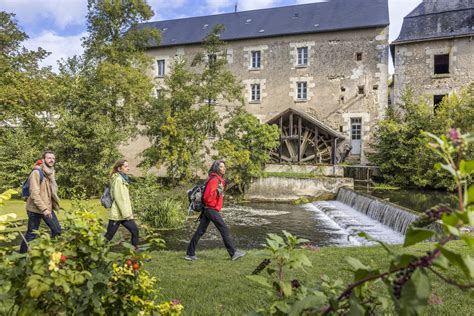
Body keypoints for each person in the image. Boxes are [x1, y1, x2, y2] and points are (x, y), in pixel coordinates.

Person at [185, 160, 246, 261]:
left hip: (209, 209)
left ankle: (189, 254)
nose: (224, 168)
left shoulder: (218, 179)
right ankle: (233, 253)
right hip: (210, 209)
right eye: (222, 167)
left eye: (224, 167)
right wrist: (218, 192)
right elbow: (206, 197)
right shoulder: (214, 180)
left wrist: (218, 192)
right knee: (224, 228)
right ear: (216, 168)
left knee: (200, 231)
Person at [19, 150, 61, 253]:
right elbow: (34, 194)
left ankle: (50, 252)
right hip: (35, 209)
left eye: (53, 158)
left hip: (47, 207)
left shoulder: (50, 173)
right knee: (31, 234)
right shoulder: (36, 173)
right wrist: (44, 209)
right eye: (49, 158)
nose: (51, 160)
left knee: (57, 230)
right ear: (43, 160)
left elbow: (50, 192)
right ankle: (22, 256)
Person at [104, 159, 139, 250]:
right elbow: (119, 198)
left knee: (135, 231)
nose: (128, 168)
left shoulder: (122, 179)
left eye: (128, 166)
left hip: (123, 214)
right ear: (119, 169)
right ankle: (98, 250)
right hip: (118, 214)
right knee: (108, 236)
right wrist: (127, 214)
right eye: (126, 166)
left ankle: (135, 250)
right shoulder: (119, 180)